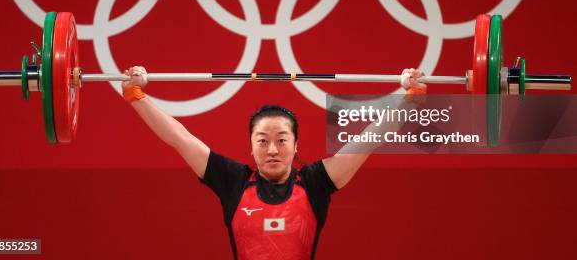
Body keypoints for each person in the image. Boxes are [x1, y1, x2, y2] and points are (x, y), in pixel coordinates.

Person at [121, 66, 426, 259]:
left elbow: (368, 140)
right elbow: (180, 138)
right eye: (262, 141)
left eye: (282, 140)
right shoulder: (234, 181)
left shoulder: (315, 183)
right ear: (251, 148)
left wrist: (407, 99)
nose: (272, 150)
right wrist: (137, 96)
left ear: (296, 147)